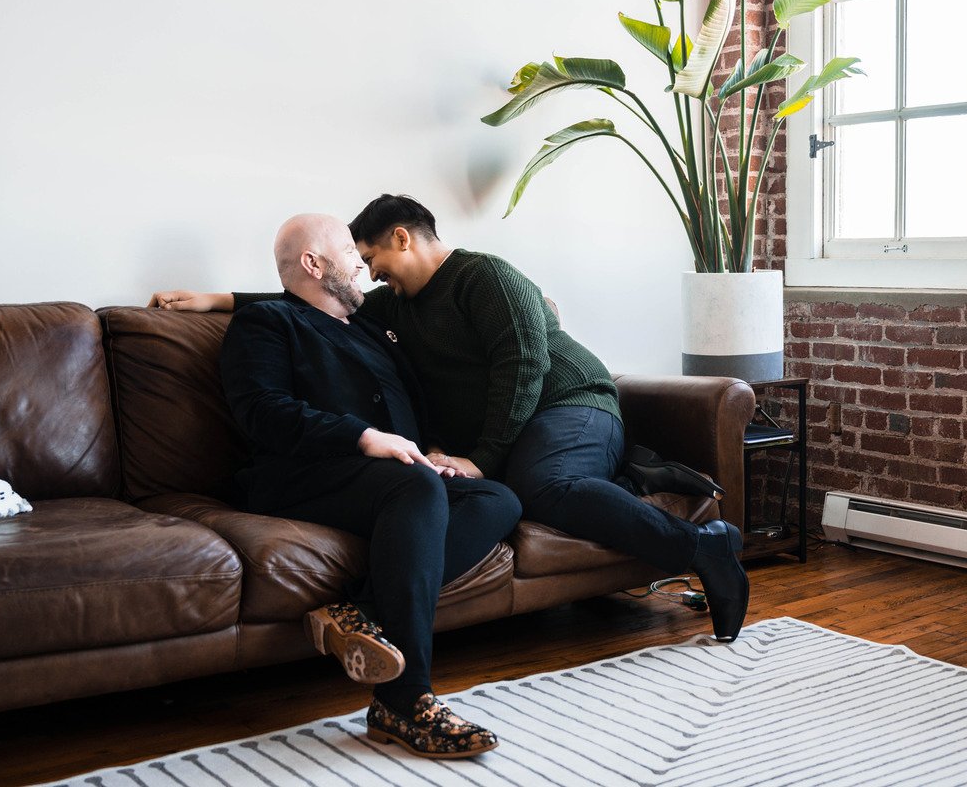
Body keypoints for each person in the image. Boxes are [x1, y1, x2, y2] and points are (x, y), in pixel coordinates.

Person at [152, 194, 750, 643]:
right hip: (518, 432)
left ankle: (703, 544)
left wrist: (481, 459)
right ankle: (630, 481)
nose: (368, 271)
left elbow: (524, 367)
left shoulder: (484, 276)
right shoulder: (393, 307)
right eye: (356, 261)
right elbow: (309, 302)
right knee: (508, 493)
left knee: (542, 485)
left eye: (372, 257)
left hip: (570, 404)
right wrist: (216, 301)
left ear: (403, 238)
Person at [217, 212, 521, 759]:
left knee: (497, 499)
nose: (363, 266)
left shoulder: (374, 329)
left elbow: (410, 408)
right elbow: (262, 412)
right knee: (418, 490)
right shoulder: (268, 323)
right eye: (350, 254)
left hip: (393, 476)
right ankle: (403, 700)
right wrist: (362, 437)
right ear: (313, 263)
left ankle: (355, 612)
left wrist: (430, 452)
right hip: (304, 474)